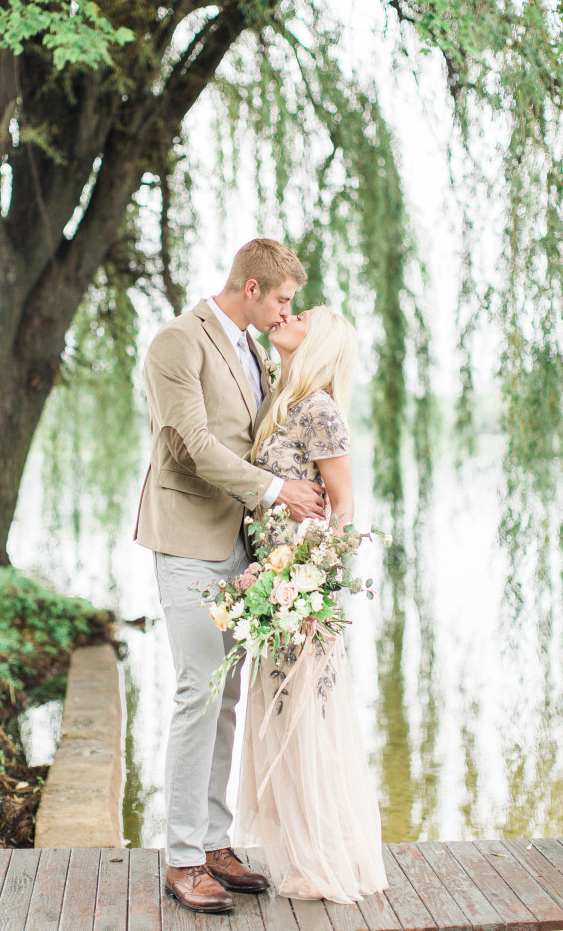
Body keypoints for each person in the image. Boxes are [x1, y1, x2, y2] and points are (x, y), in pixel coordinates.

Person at [135, 238, 326, 915]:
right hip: (187, 539)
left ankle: (215, 843)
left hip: (241, 546)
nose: (284, 312)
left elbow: (265, 428)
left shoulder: (251, 349)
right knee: (196, 690)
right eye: (280, 298)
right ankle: (183, 858)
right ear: (250, 287)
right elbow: (190, 444)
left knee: (226, 698)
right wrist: (276, 491)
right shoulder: (176, 344)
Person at [236, 305, 389, 904]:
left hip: (299, 594)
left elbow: (344, 506)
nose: (287, 314)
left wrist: (310, 576)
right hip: (273, 590)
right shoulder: (283, 402)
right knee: (281, 721)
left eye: (301, 314)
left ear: (319, 339)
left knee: (308, 722)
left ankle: (327, 860)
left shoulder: (321, 408)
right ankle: (307, 853)